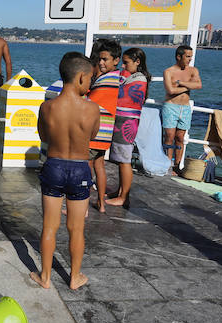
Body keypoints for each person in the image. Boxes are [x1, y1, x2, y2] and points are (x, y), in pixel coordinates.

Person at [30, 52, 100, 291]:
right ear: (81, 77)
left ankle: (45, 277)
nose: (90, 83)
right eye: (90, 78)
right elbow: (91, 137)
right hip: (80, 169)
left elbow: (44, 137)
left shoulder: (47, 107)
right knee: (76, 228)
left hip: (54, 166)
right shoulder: (92, 109)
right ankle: (75, 276)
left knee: (49, 226)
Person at [106, 47, 150, 208]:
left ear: (137, 62)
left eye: (126, 63)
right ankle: (120, 191)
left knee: (124, 161)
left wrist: (121, 76)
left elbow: (124, 98)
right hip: (121, 121)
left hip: (127, 122)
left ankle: (124, 197)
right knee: (120, 160)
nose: (123, 67)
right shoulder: (132, 76)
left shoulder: (139, 79)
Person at [87, 39, 122, 212]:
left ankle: (83, 207)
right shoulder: (117, 78)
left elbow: (90, 101)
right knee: (99, 165)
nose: (101, 62)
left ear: (116, 60)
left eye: (105, 59)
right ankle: (101, 203)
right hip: (105, 132)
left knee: (86, 166)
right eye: (100, 59)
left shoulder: (108, 79)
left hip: (96, 132)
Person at [162, 45, 202, 171]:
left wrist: (182, 83)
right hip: (170, 106)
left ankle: (177, 165)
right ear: (179, 57)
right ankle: (167, 162)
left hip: (185, 108)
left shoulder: (193, 70)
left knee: (180, 137)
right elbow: (171, 90)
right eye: (187, 56)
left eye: (191, 56)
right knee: (169, 136)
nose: (190, 59)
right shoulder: (168, 71)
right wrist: (190, 86)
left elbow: (199, 85)